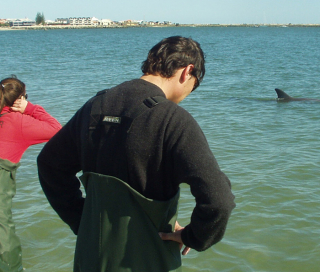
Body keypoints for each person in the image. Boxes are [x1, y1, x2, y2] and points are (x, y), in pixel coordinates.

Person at [37, 36, 235, 272]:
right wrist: (193, 236)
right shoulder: (173, 119)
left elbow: (49, 164)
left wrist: (81, 219)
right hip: (146, 260)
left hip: (90, 258)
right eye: (195, 83)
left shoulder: (95, 105)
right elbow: (219, 200)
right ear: (187, 71)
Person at [0, 76, 62, 272]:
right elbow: (57, 130)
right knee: (2, 225)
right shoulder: (17, 122)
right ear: (19, 99)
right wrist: (30, 108)